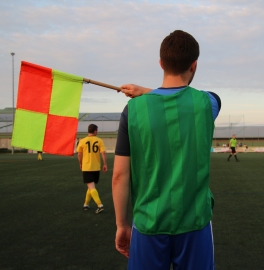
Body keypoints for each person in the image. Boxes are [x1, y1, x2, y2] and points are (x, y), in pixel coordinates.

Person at [112, 30, 221, 269]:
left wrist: (122, 225)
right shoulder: (208, 103)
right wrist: (147, 91)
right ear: (194, 65)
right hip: (195, 223)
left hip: (149, 223)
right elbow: (180, 99)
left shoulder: (132, 111)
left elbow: (119, 176)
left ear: (161, 63)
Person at [77, 124, 107, 213]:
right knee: (91, 186)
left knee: (91, 186)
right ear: (95, 131)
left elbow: (79, 154)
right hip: (96, 167)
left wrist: (81, 163)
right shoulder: (99, 140)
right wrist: (105, 164)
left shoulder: (82, 141)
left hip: (87, 167)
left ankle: (100, 205)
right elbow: (103, 153)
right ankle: (86, 204)